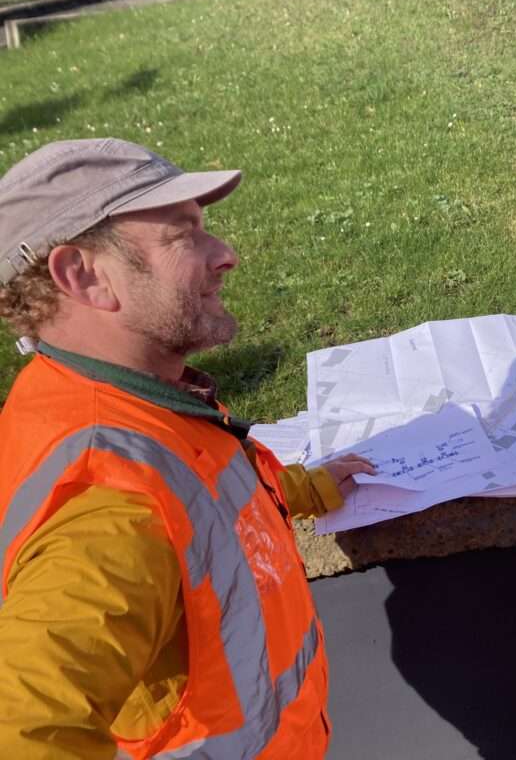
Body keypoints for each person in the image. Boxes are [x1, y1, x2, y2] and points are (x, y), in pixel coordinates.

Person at [0, 138, 374, 758]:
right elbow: (24, 728)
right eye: (183, 235)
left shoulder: (120, 399)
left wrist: (304, 488)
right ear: (83, 275)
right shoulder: (108, 507)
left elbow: (203, 498)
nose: (225, 255)